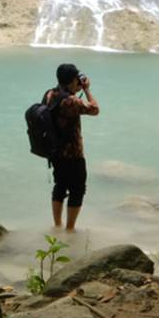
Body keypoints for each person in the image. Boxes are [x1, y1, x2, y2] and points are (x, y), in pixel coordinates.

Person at [44, 63, 100, 232]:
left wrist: (75, 88)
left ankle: (57, 225)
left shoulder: (50, 94)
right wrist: (87, 90)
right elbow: (95, 109)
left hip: (55, 151)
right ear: (72, 80)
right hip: (73, 154)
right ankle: (70, 229)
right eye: (77, 79)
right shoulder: (70, 101)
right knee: (77, 190)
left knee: (60, 186)